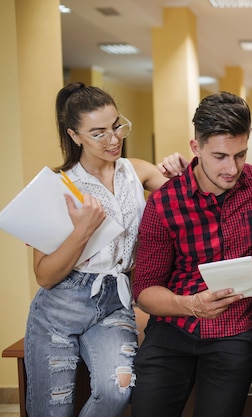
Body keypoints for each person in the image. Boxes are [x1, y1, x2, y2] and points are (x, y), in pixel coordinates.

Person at [130, 91, 252, 417]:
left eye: (240, 155)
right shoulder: (165, 203)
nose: (232, 168)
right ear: (195, 147)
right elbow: (144, 291)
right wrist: (190, 305)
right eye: (220, 156)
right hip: (173, 328)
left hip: (235, 333)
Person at [24, 82, 169, 417]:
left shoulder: (138, 172)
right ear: (75, 136)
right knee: (54, 407)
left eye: (117, 126)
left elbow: (189, 197)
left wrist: (178, 168)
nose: (114, 139)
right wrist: (83, 231)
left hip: (115, 301)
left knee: (117, 391)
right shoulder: (59, 187)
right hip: (61, 306)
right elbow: (45, 276)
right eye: (98, 133)